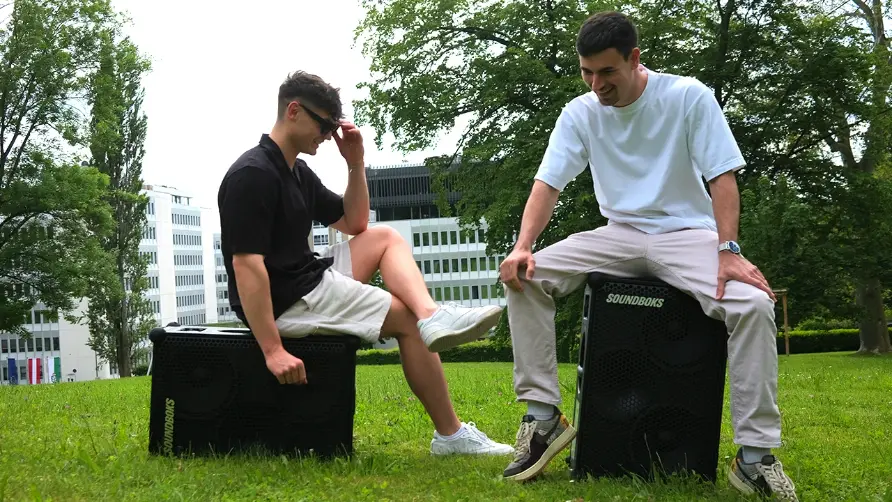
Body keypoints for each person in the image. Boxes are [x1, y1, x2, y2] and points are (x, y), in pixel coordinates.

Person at [497, 11, 798, 501]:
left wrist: (728, 251)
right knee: (525, 276)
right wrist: (523, 245)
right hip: (619, 234)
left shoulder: (687, 96)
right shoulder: (579, 113)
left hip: (686, 234)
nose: (597, 85)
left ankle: (754, 458)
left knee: (753, 305)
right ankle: (544, 420)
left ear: (634, 58)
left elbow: (722, 177)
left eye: (607, 72)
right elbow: (547, 183)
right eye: (587, 72)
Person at [217, 70, 512, 456]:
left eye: (332, 128)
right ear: (293, 111)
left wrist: (355, 163)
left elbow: (354, 223)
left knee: (385, 237)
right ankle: (451, 435)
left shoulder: (296, 172)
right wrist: (272, 350)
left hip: (305, 278)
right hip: (287, 300)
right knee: (407, 322)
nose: (327, 136)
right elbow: (246, 266)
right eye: (324, 125)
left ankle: (432, 315)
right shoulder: (253, 175)